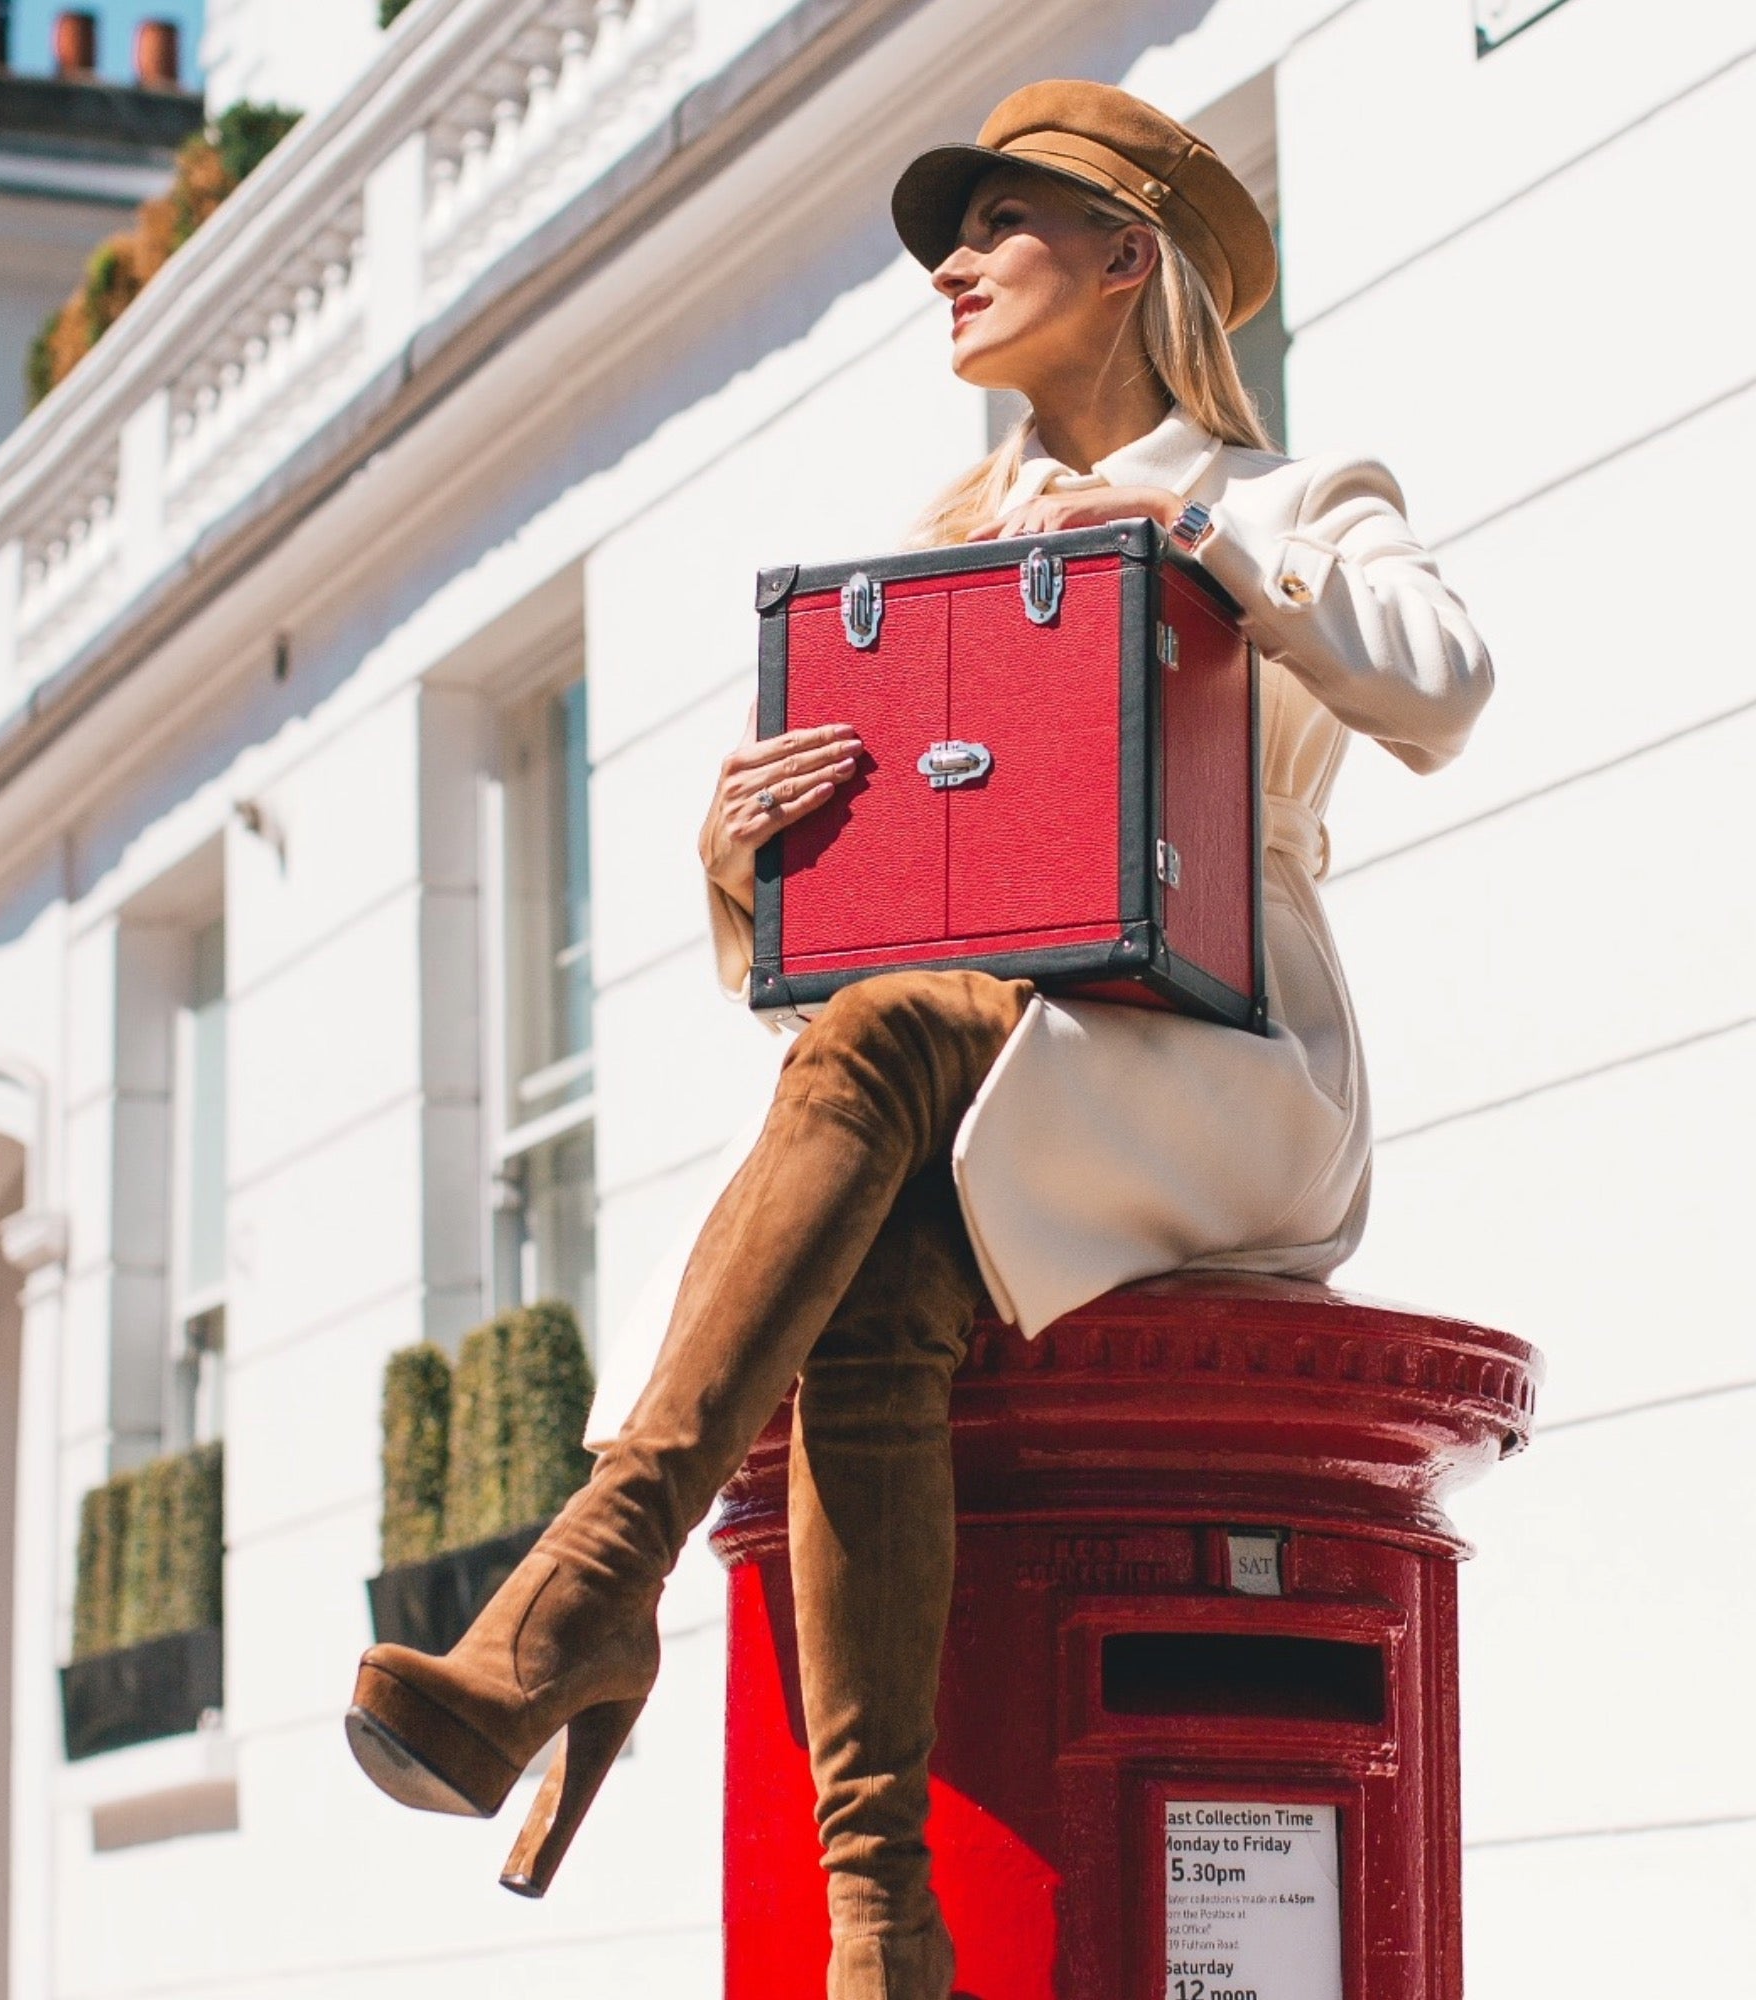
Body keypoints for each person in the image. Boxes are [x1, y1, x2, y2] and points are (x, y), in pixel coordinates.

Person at [346, 79, 1492, 2000]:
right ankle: (880, 1911)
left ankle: (587, 1587)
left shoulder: (1288, 500)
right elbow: (861, 960)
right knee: (877, 1280)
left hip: (1225, 1063)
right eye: (940, 237)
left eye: (995, 224)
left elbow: (1447, 688)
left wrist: (1210, 555)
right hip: (991, 1073)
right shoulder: (933, 555)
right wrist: (747, 867)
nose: (948, 265)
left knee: (886, 1056)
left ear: (1130, 255)